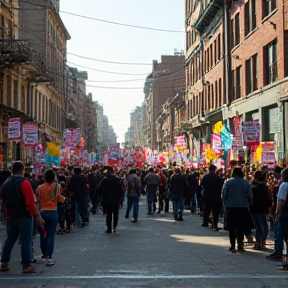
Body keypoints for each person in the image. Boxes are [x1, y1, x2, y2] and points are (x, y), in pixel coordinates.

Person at [0, 161, 45, 273]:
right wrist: (37, 215)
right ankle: (26, 265)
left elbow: (3, 201)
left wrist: (6, 214)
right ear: (22, 170)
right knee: (26, 240)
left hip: (11, 216)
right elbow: (29, 202)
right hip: (24, 216)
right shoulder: (25, 183)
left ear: (12, 170)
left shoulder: (5, 183)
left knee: (10, 239)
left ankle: (4, 262)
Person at [37, 169, 66, 266]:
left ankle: (44, 254)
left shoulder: (40, 187)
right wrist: (64, 199)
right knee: (50, 235)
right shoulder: (57, 186)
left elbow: (38, 200)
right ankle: (49, 257)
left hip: (42, 212)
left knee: (43, 234)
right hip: (53, 211)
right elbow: (58, 197)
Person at [222, 166, 252, 253]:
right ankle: (240, 245)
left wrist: (225, 204)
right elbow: (250, 196)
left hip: (231, 207)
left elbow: (224, 195)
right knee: (240, 227)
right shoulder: (246, 183)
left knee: (232, 227)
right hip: (242, 207)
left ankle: (232, 246)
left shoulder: (228, 182)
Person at [99, 166, 122, 233]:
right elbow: (121, 190)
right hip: (115, 199)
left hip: (107, 199)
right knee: (115, 214)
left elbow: (100, 190)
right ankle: (114, 227)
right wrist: (120, 199)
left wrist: (101, 196)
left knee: (108, 214)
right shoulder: (117, 179)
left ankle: (109, 228)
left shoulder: (104, 180)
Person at [201, 164, 225, 230]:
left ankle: (205, 222)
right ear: (215, 170)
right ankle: (215, 224)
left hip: (207, 196)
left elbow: (202, 184)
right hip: (216, 197)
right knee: (216, 212)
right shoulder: (219, 179)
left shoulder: (205, 177)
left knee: (206, 210)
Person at [250, 171, 270, 250]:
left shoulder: (254, 188)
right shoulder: (266, 188)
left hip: (255, 209)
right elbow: (268, 199)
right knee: (263, 224)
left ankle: (259, 243)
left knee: (258, 226)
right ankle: (263, 241)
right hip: (263, 209)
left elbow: (251, 199)